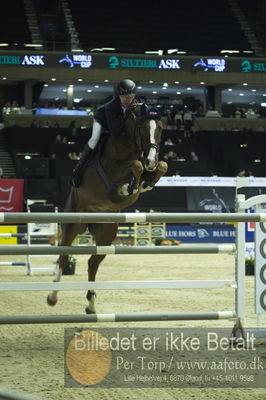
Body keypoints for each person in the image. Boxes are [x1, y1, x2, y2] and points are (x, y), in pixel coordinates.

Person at [69, 79, 145, 187]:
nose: (128, 100)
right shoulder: (110, 108)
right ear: (118, 95)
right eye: (124, 97)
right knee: (94, 139)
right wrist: (127, 114)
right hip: (103, 120)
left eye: (130, 97)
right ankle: (77, 171)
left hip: (121, 126)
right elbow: (115, 132)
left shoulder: (139, 103)